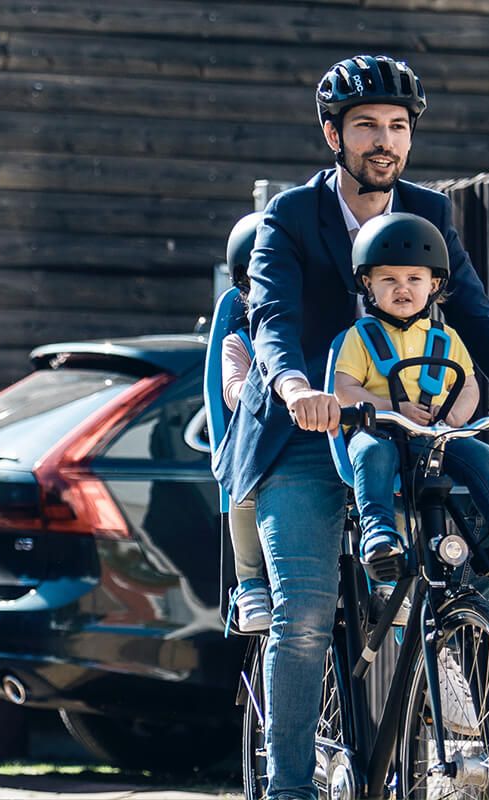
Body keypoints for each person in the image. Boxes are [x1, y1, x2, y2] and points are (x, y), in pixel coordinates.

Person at [211, 54, 489, 800]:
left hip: (408, 427)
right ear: (332, 135)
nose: (385, 140)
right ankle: (290, 789)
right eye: (367, 125)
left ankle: (445, 632)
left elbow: (474, 313)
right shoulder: (288, 215)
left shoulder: (427, 213)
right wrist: (294, 385)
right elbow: (272, 316)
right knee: (305, 618)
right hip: (307, 432)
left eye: (398, 127)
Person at [332, 212, 489, 586]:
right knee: (369, 453)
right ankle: (379, 533)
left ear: (434, 285)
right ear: (368, 283)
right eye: (389, 280)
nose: (403, 288)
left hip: (435, 438)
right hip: (383, 432)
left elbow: (467, 386)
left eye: (414, 279)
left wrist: (455, 421)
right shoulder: (360, 336)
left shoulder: (446, 338)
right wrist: (390, 408)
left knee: (477, 456)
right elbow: (344, 387)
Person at [217, 214, 268, 633]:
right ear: (243, 289)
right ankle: (250, 582)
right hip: (258, 434)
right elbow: (232, 390)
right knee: (244, 485)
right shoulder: (239, 341)